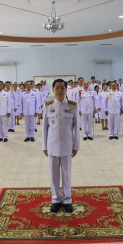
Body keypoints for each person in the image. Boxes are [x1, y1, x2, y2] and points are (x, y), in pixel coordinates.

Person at [43, 79, 79, 213]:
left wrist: (76, 146)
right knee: (53, 175)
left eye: (62, 88)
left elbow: (76, 127)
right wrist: (44, 146)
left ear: (66, 90)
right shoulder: (47, 106)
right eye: (57, 88)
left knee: (66, 174)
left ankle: (67, 199)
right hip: (52, 145)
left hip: (67, 145)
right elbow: (45, 128)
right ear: (53, 90)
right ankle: (56, 199)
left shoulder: (73, 106)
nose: (59, 91)